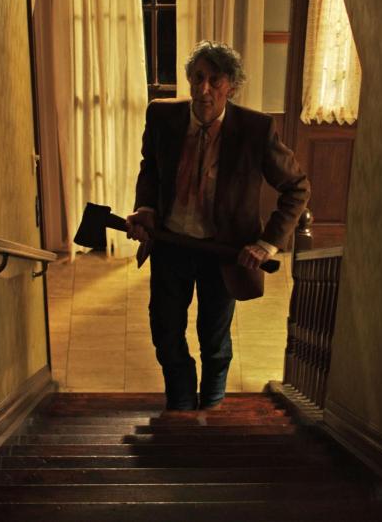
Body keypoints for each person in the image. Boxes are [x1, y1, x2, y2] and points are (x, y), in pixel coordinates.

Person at [126, 40, 310, 411]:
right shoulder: (162, 116)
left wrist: (267, 244)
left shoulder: (256, 129)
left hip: (223, 253)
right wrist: (145, 207)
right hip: (171, 245)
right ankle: (180, 403)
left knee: (213, 338)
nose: (204, 88)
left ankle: (212, 405)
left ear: (232, 86)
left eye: (215, 80)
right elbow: (150, 167)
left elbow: (297, 187)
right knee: (165, 332)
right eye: (197, 77)